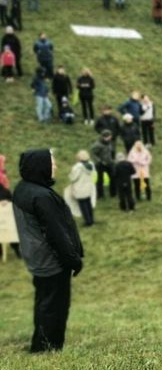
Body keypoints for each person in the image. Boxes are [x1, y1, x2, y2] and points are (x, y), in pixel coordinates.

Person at [12, 149, 84, 352]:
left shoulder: (24, 188)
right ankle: (47, 348)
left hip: (36, 258)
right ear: (40, 166)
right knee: (55, 306)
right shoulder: (41, 196)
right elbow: (57, 233)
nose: (55, 166)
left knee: (44, 302)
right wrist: (73, 260)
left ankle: (41, 343)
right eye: (51, 163)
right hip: (50, 260)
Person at [68, 150, 96, 227]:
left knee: (83, 206)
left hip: (80, 188)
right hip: (88, 187)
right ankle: (92, 220)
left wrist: (70, 175)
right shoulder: (91, 164)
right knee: (88, 204)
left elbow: (73, 178)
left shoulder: (77, 167)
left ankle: (88, 222)